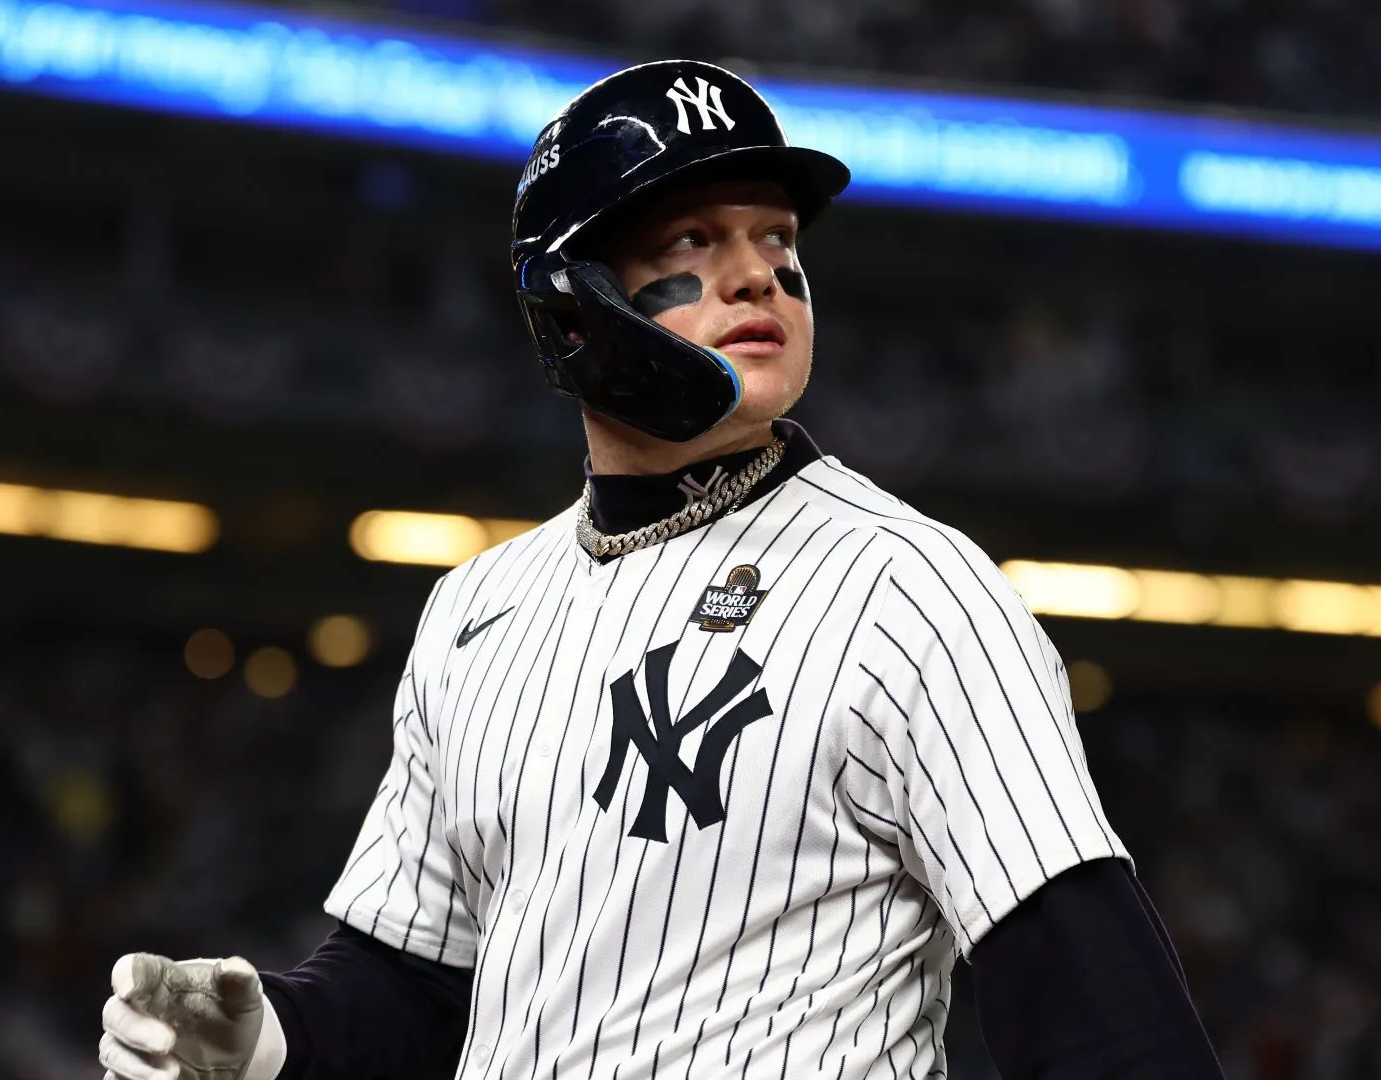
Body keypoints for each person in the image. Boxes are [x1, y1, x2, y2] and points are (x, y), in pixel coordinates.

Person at [98, 59, 1223, 1080]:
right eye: (691, 246)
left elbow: (1101, 1017)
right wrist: (265, 1046)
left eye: (778, 240)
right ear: (569, 301)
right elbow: (417, 986)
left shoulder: (914, 590)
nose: (759, 279)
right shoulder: (477, 610)